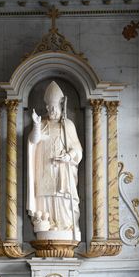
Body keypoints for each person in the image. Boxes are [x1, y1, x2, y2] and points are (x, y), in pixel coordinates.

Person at [27, 81, 82, 240]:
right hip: (44, 171)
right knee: (46, 201)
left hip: (62, 171)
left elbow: (77, 149)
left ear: (60, 106)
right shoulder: (42, 123)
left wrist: (69, 156)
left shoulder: (68, 125)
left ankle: (66, 226)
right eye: (48, 107)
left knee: (63, 200)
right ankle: (47, 225)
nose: (50, 110)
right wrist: (36, 126)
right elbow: (33, 140)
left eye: (53, 107)